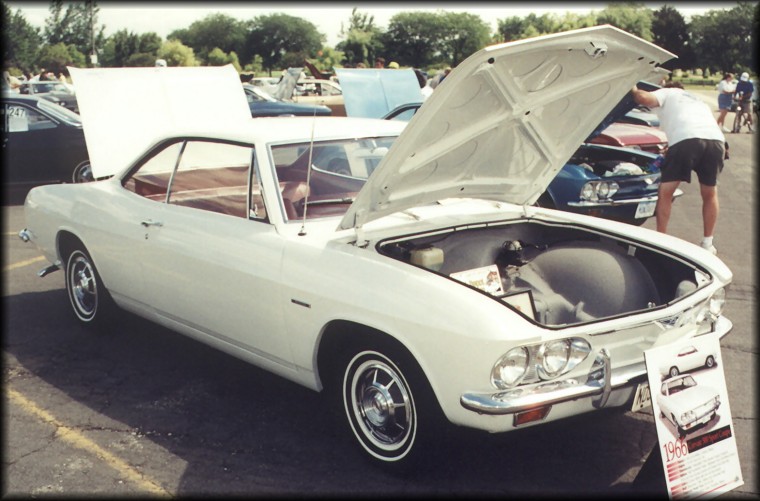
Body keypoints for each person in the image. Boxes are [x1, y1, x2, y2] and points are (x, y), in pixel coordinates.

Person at [632, 81, 725, 254]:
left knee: (666, 192)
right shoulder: (696, 99)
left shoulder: (668, 92)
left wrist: (632, 84)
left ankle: (661, 239)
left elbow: (643, 98)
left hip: (687, 139)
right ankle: (708, 243)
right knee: (710, 193)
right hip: (716, 141)